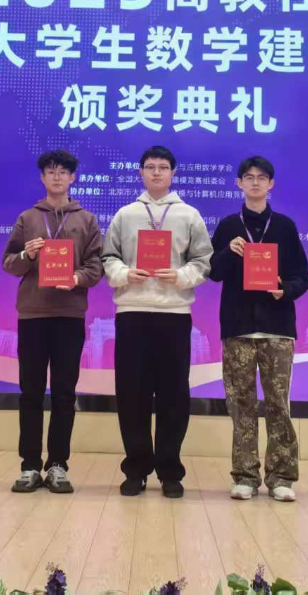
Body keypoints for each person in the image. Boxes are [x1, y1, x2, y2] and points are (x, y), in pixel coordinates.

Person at [102, 145, 213, 498]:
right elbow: (108, 256)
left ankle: (169, 471)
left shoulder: (189, 215)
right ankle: (136, 469)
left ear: (172, 173)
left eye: (163, 167)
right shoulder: (125, 214)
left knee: (173, 395)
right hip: (131, 312)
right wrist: (124, 274)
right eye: (150, 167)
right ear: (140, 172)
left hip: (174, 314)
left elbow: (203, 261)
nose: (156, 173)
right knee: (131, 394)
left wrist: (181, 276)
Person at [2, 149, 104, 494]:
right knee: (30, 393)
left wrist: (76, 278)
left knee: (64, 393)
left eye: (63, 172)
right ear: (42, 178)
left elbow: (96, 267)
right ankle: (30, 465)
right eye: (51, 171)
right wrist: (28, 254)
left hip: (69, 315)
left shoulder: (86, 220)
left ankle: (58, 464)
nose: (57, 176)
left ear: (73, 178)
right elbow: (9, 263)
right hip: (33, 314)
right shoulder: (28, 218)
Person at [208, 155, 308, 503]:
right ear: (239, 183)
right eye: (248, 177)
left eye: (261, 177)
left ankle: (281, 477)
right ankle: (245, 476)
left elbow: (302, 277)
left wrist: (285, 289)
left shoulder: (284, 226)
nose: (255, 182)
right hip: (237, 328)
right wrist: (228, 252)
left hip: (277, 328)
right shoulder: (227, 226)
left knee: (279, 404)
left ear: (271, 184)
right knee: (241, 405)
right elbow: (213, 272)